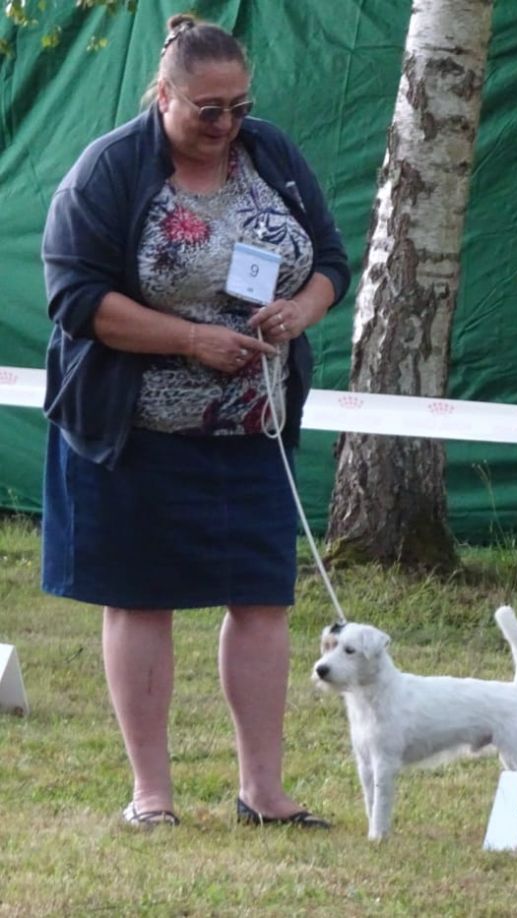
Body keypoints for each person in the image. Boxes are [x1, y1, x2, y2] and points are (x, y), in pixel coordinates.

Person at [40, 14, 349, 828]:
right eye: (207, 110)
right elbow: (75, 299)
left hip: (254, 430)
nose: (225, 126)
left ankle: (265, 793)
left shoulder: (271, 153)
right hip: (134, 432)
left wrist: (297, 311)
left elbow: (330, 261)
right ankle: (153, 795)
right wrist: (190, 340)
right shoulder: (108, 170)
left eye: (239, 107)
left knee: (261, 602)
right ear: (165, 95)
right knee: (141, 601)